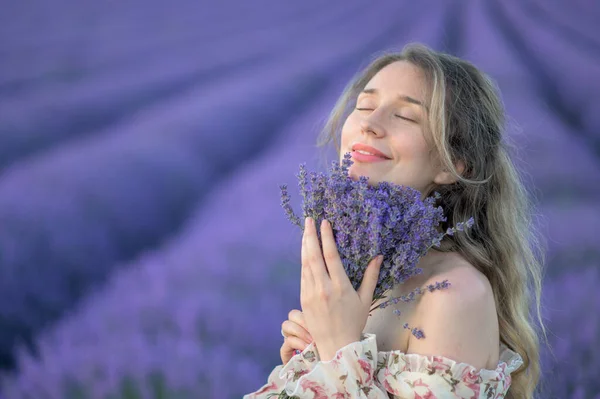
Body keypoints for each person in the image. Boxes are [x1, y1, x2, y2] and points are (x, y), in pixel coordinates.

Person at [244, 43, 546, 399]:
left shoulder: (454, 294)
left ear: (453, 165)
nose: (370, 124)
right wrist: (304, 374)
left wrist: (337, 353)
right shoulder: (361, 272)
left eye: (405, 116)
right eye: (365, 106)